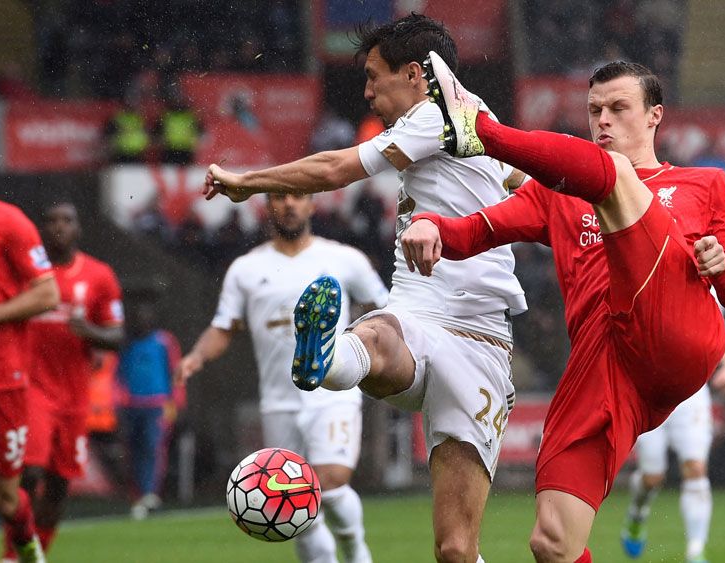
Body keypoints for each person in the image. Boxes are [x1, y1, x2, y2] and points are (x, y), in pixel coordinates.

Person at [202, 14, 527, 563]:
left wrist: (247, 181)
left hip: (479, 339)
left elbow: (334, 170)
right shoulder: (480, 120)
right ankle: (325, 358)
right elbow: (529, 186)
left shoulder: (437, 115)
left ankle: (331, 359)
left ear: (417, 75)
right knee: (377, 335)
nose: (368, 91)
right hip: (420, 310)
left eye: (376, 77)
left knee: (455, 550)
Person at [404, 57, 725, 562]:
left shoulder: (705, 184)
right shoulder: (557, 194)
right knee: (551, 543)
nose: (604, 120)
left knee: (610, 175)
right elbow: (483, 229)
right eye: (595, 110)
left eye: (618, 108)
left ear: (655, 115)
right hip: (604, 362)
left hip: (676, 335)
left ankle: (478, 130)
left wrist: (720, 267)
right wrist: (436, 227)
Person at [175, 192, 387, 563]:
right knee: (293, 503)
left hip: (332, 393)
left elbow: (384, 311)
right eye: (279, 197)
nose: (289, 204)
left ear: (311, 205)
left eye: (298, 196)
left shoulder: (344, 259)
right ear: (269, 207)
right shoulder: (245, 269)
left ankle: (355, 549)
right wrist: (195, 356)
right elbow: (224, 327)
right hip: (278, 402)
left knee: (330, 484)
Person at [1, 203, 124, 561]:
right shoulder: (27, 276)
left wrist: (90, 332)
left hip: (74, 397)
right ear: (41, 230)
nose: (59, 227)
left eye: (67, 220)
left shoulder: (99, 276)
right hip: (31, 390)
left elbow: (116, 336)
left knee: (58, 483)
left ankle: (36, 554)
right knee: (29, 472)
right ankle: (13, 553)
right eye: (51, 220)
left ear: (78, 229)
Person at [0, 129, 59, 562]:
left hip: (3, 382)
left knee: (6, 500)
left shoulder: (8, 221)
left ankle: (26, 543)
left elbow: (47, 294)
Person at [620, 341, 725, 563]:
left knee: (696, 467)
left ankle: (696, 552)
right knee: (653, 477)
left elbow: (717, 326)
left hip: (691, 392)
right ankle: (637, 513)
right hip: (648, 389)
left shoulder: (707, 302)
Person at [117, 291, 183, 519]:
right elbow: (118, 374)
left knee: (152, 448)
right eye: (138, 317)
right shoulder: (125, 343)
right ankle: (137, 496)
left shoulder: (164, 341)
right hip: (130, 405)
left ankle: (151, 494)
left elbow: (175, 372)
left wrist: (176, 403)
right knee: (132, 451)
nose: (141, 321)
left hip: (157, 405)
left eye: (146, 316)